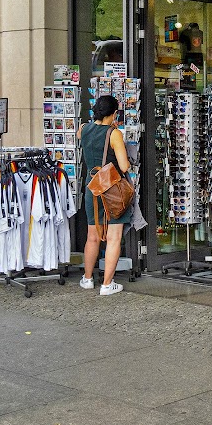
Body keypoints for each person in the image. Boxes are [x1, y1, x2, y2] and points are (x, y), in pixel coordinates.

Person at [77, 95, 131, 296]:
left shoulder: (83, 129)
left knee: (93, 236)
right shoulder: (114, 133)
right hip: (111, 189)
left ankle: (88, 278)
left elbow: (83, 137)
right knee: (113, 236)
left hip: (92, 187)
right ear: (114, 113)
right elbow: (124, 166)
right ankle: (107, 284)